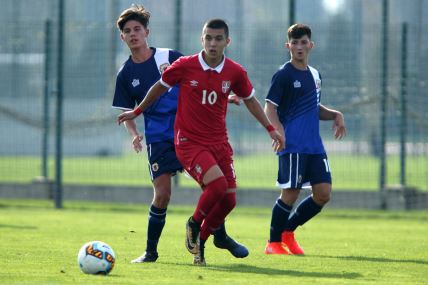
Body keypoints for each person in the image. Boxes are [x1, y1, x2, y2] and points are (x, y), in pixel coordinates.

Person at [118, 18, 284, 265]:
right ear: (201, 39)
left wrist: (271, 128)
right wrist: (137, 113)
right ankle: (184, 231)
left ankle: (205, 240)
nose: (212, 43)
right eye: (208, 38)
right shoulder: (179, 66)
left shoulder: (233, 71)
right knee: (191, 189)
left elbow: (247, 99)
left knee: (228, 198)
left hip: (218, 142)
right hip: (185, 140)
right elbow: (159, 88)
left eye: (218, 38)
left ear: (227, 41)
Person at [264, 23, 347, 255]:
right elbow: (270, 107)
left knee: (323, 194)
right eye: (295, 42)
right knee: (290, 194)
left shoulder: (315, 75)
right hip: (292, 145)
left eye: (303, 42)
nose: (299, 47)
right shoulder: (283, 74)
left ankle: (287, 232)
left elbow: (313, 107)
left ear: (311, 45)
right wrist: (277, 131)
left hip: (314, 146)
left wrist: (335, 115)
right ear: (287, 45)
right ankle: (272, 243)